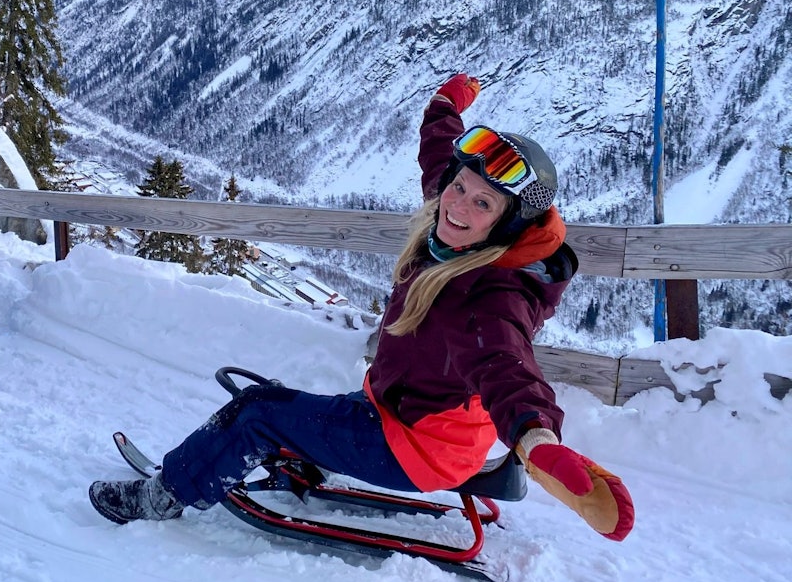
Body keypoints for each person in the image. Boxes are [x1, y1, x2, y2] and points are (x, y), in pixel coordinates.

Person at [88, 74, 634, 542]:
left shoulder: (488, 296)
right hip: (406, 411)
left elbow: (506, 367)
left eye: (482, 202)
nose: (459, 204)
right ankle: (303, 446)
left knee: (255, 411)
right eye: (460, 187)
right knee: (285, 408)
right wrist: (445, 105)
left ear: (507, 224)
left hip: (417, 446)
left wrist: (538, 441)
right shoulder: (451, 229)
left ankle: (163, 497)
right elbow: (439, 152)